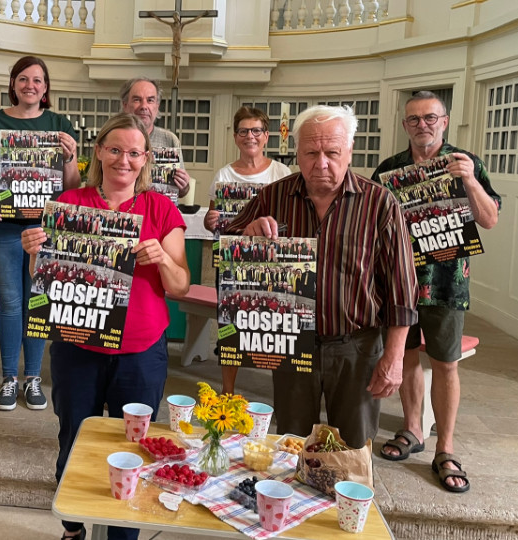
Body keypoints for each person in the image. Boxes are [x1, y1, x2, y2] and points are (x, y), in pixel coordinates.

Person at [21, 113, 190, 540]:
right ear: (98, 151)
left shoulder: (160, 207)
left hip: (141, 351)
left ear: (146, 158)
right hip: (78, 346)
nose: (124, 160)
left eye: (134, 152)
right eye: (115, 149)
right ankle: (73, 526)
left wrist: (163, 259)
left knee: (135, 450)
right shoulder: (70, 203)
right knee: (74, 439)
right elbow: (44, 279)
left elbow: (181, 285)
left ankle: (123, 534)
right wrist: (34, 251)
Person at [226, 104, 418, 449]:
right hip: (290, 343)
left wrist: (395, 356)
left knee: (354, 448)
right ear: (297, 152)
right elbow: (228, 250)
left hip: (356, 347)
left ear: (349, 151)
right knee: (292, 443)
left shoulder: (379, 203)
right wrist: (247, 235)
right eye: (311, 153)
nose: (322, 163)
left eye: (332, 152)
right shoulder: (273, 195)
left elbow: (401, 288)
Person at [374, 91, 500, 493]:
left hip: (448, 279)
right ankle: (412, 429)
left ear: (444, 122)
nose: (422, 125)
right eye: (413, 120)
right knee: (406, 354)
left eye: (430, 118)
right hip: (398, 280)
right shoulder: (389, 170)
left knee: (445, 362)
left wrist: (468, 182)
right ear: (405, 125)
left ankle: (444, 447)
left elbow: (490, 218)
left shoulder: (466, 163)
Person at [0, 56, 81, 412]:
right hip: (2, 227)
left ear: (46, 88)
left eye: (37, 80)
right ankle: (8, 378)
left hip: (44, 228)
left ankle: (33, 376)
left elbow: (73, 187)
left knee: (37, 300)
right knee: (11, 301)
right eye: (23, 79)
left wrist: (70, 156)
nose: (30, 85)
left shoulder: (59, 124)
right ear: (13, 83)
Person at [201, 106, 291, 395]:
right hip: (232, 261)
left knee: (277, 327)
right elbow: (211, 219)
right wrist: (210, 219)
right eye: (243, 131)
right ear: (236, 136)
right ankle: (227, 390)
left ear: (266, 136)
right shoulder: (224, 174)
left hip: (273, 261)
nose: (249, 136)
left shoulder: (282, 172)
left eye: (256, 131)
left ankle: (281, 390)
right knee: (231, 324)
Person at [119, 77, 191, 200]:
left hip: (159, 214)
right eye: (137, 100)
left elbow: (181, 192)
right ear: (125, 105)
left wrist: (184, 185)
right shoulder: (112, 137)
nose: (144, 106)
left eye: (150, 100)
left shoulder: (169, 139)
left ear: (157, 106)